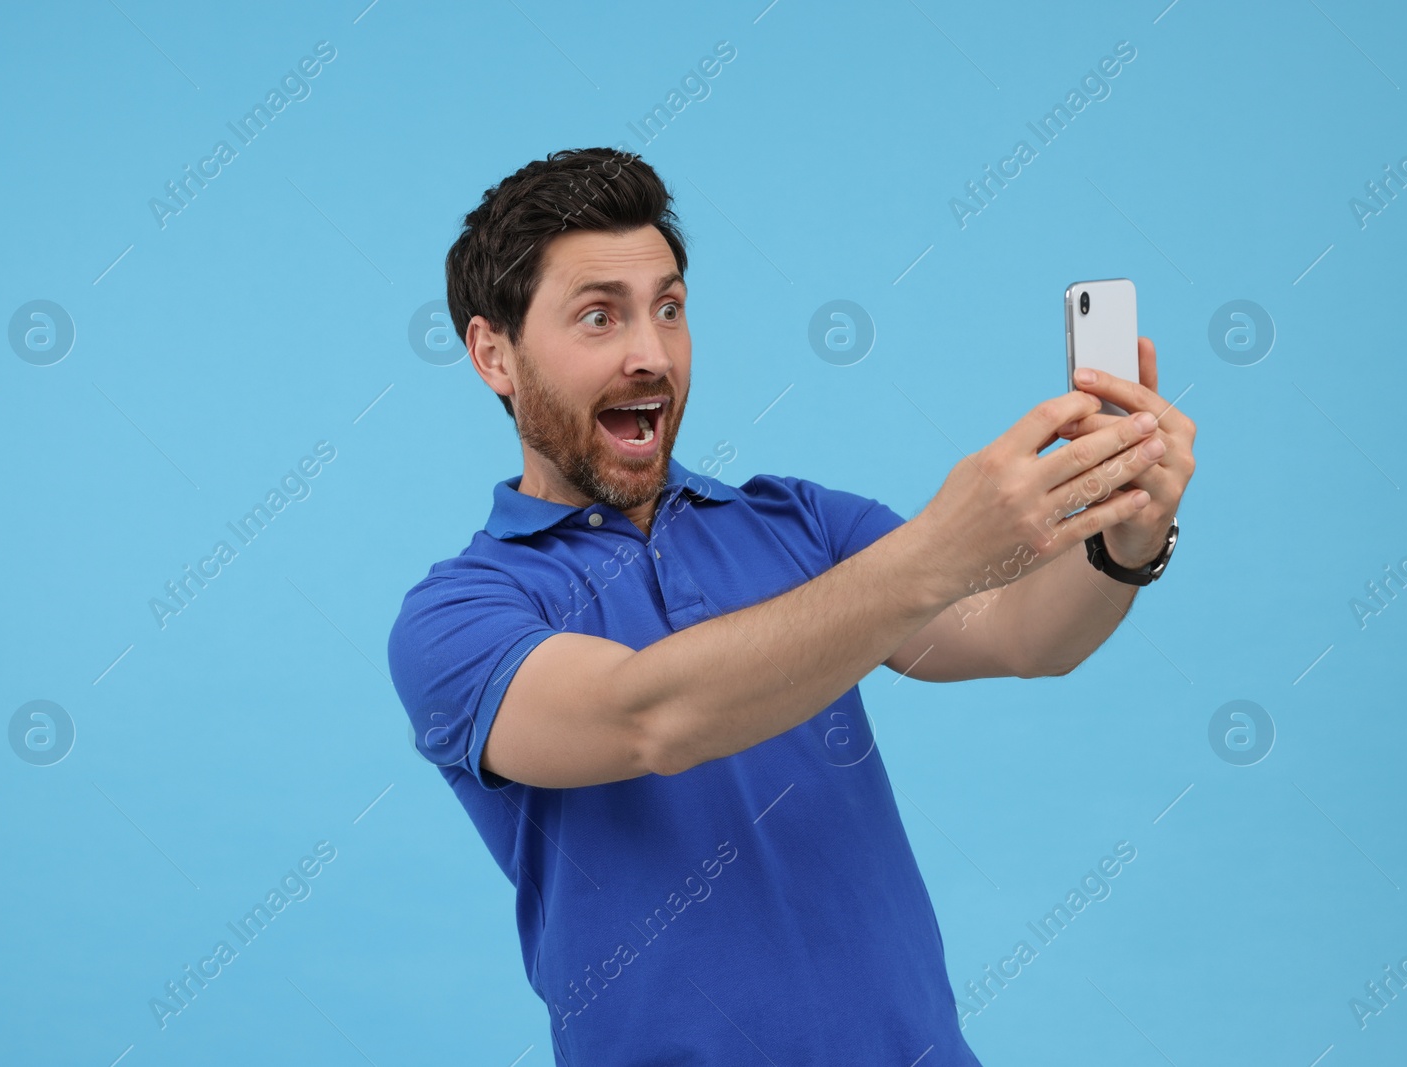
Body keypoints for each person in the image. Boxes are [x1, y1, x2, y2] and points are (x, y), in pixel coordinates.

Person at [387, 147, 1196, 1065]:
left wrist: (1126, 542)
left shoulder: (798, 523)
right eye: (598, 316)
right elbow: (651, 716)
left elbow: (1020, 632)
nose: (650, 353)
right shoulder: (457, 617)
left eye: (670, 308)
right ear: (494, 352)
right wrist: (936, 551)